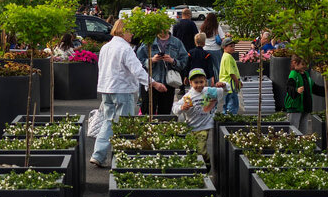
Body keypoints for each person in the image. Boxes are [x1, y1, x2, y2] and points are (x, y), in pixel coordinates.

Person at [89, 19, 167, 168]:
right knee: (124, 124)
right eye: (130, 31)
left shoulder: (106, 47)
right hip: (122, 89)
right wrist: (153, 83)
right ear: (123, 31)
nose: (132, 35)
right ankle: (120, 156)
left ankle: (99, 154)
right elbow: (137, 69)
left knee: (109, 120)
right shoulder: (125, 49)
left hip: (106, 88)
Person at [172, 68, 228, 166]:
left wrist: (223, 84)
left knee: (201, 149)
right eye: (196, 82)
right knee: (193, 149)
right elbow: (175, 107)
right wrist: (182, 107)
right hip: (191, 127)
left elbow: (225, 90)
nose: (199, 85)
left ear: (205, 81)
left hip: (205, 126)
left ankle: (207, 164)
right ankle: (197, 166)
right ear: (190, 83)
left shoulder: (209, 91)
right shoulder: (188, 96)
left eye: (201, 82)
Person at [136, 29, 188, 114]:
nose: (163, 29)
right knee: (147, 113)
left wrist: (172, 61)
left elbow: (184, 61)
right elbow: (138, 61)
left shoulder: (176, 43)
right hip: (151, 82)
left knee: (165, 114)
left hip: (169, 83)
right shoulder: (148, 42)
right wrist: (151, 60)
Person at [284, 54, 324, 132]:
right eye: (303, 64)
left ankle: (302, 142)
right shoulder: (293, 75)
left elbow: (314, 87)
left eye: (306, 64)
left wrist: (325, 90)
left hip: (305, 106)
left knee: (303, 130)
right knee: (294, 129)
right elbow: (289, 88)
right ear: (295, 63)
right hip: (295, 107)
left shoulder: (306, 75)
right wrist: (296, 91)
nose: (305, 66)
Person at [218, 37, 241, 114]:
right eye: (230, 46)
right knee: (233, 105)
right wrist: (237, 81)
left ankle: (225, 118)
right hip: (230, 85)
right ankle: (230, 119)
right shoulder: (228, 57)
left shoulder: (225, 56)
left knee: (226, 104)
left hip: (226, 85)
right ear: (224, 47)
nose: (233, 48)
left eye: (234, 46)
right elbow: (231, 72)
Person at [200, 12, 225, 80]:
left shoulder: (203, 27)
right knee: (218, 67)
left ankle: (207, 81)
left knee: (207, 67)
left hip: (205, 49)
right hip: (216, 49)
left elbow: (200, 37)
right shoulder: (216, 26)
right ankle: (218, 81)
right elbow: (222, 38)